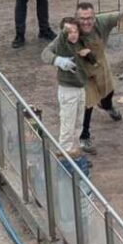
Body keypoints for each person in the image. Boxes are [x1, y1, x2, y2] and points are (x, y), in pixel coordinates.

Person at [73, 1, 123, 152]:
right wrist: (60, 60)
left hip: (100, 63)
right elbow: (50, 51)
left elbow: (119, 16)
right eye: (82, 18)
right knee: (88, 103)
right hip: (82, 69)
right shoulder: (70, 29)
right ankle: (84, 136)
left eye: (89, 18)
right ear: (76, 18)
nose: (86, 22)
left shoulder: (101, 22)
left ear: (94, 17)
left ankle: (107, 106)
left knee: (108, 91)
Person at [41, 17, 88, 156]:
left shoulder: (80, 42)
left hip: (80, 88)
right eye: (69, 32)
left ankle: (75, 153)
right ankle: (65, 155)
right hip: (68, 90)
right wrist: (58, 60)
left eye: (75, 31)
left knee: (78, 124)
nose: (72, 34)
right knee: (68, 125)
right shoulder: (61, 43)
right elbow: (45, 54)